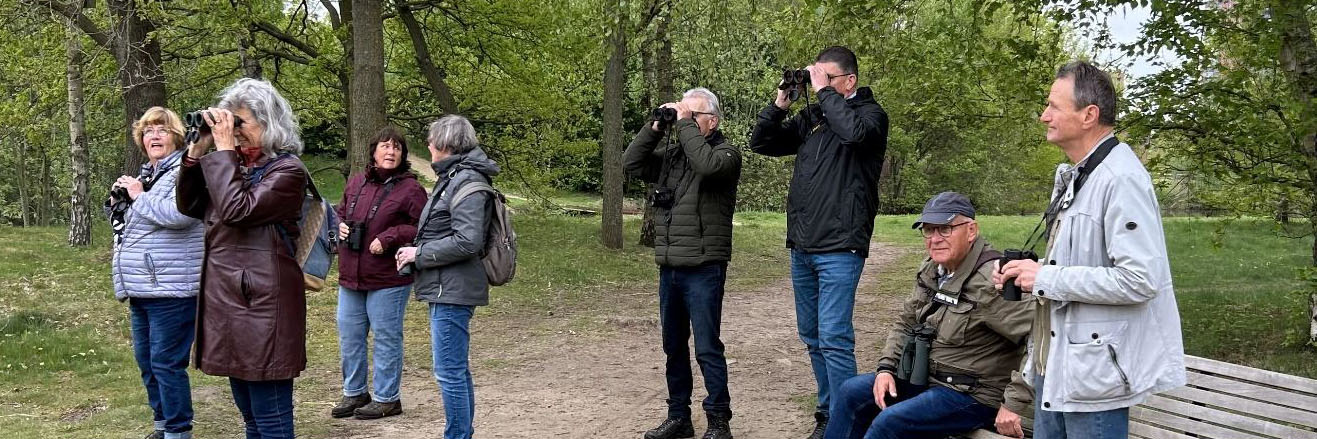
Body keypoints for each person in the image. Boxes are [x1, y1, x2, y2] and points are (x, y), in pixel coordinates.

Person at [993, 60, 1185, 439]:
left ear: (1088, 115)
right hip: (1057, 365)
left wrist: (1046, 276)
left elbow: (1140, 280)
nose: (1043, 116)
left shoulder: (1121, 179)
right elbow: (1083, 263)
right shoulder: (1077, 175)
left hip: (1094, 378)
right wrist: (1030, 271)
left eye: (1053, 106)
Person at [748, 45, 890, 438]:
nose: (818, 84)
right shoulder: (815, 116)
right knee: (812, 336)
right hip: (804, 244)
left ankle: (847, 423)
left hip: (841, 245)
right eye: (817, 77)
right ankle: (829, 412)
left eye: (827, 78)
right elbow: (762, 143)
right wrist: (780, 103)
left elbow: (855, 134)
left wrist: (824, 93)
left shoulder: (870, 115)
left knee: (834, 338)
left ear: (850, 81)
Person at [826, 192, 1033, 439]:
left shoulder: (993, 281)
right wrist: (886, 369)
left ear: (971, 230)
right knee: (851, 392)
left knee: (890, 422)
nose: (935, 239)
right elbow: (906, 321)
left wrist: (1013, 404)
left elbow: (1043, 340)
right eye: (929, 230)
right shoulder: (934, 269)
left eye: (944, 229)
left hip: (971, 394)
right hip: (925, 377)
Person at [176, 78, 309, 439]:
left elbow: (237, 209)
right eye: (227, 122)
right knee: (250, 417)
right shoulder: (232, 166)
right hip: (228, 302)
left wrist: (221, 152)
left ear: (268, 125)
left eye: (239, 123)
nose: (231, 131)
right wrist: (197, 152)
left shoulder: (288, 171)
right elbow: (189, 205)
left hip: (264, 308)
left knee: (271, 419)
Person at [624, 88, 742, 439]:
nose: (684, 124)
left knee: (707, 346)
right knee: (673, 345)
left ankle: (719, 421)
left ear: (712, 121)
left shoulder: (726, 154)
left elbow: (705, 164)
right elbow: (630, 164)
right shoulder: (674, 157)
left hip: (705, 265)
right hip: (671, 265)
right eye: (683, 117)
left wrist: (685, 122)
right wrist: (655, 127)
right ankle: (680, 417)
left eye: (693, 117)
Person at [394, 115, 498, 439]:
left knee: (449, 373)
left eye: (431, 140)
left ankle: (456, 435)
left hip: (451, 290)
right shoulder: (454, 177)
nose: (428, 145)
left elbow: (468, 240)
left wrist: (418, 254)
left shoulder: (465, 182)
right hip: (446, 287)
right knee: (455, 371)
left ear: (445, 145)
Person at [107, 107, 205, 439]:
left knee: (166, 364)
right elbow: (132, 226)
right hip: (142, 287)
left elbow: (181, 215)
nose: (154, 135)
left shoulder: (187, 172)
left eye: (162, 129)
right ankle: (162, 426)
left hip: (173, 286)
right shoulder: (147, 174)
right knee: (147, 363)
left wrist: (138, 196)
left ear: (177, 135)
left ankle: (179, 432)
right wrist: (120, 202)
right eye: (148, 131)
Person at [330, 126, 428, 420]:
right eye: (385, 146)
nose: (391, 151)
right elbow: (339, 211)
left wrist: (390, 237)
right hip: (351, 274)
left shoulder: (411, 189)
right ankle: (355, 392)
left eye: (397, 147)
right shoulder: (357, 182)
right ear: (373, 152)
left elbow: (423, 227)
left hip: (388, 277)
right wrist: (339, 225)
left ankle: (387, 398)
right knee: (350, 336)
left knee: (386, 337)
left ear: (403, 155)